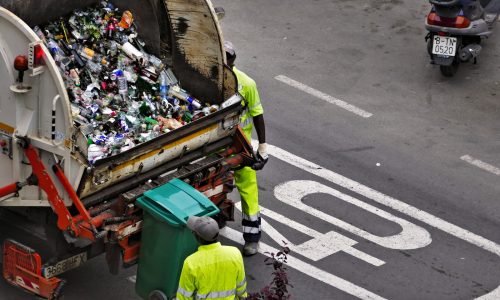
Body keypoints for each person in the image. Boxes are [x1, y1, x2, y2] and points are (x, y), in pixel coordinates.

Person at [224, 41, 268, 256]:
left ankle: (252, 238)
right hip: (215, 145)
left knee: (249, 192)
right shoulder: (208, 79)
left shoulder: (247, 84)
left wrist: (263, 147)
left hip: (240, 147)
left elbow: (257, 114)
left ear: (233, 60)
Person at [176, 216, 248, 300]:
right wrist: (243, 297)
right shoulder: (235, 254)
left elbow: (184, 296)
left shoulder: (191, 263)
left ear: (197, 237)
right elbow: (241, 285)